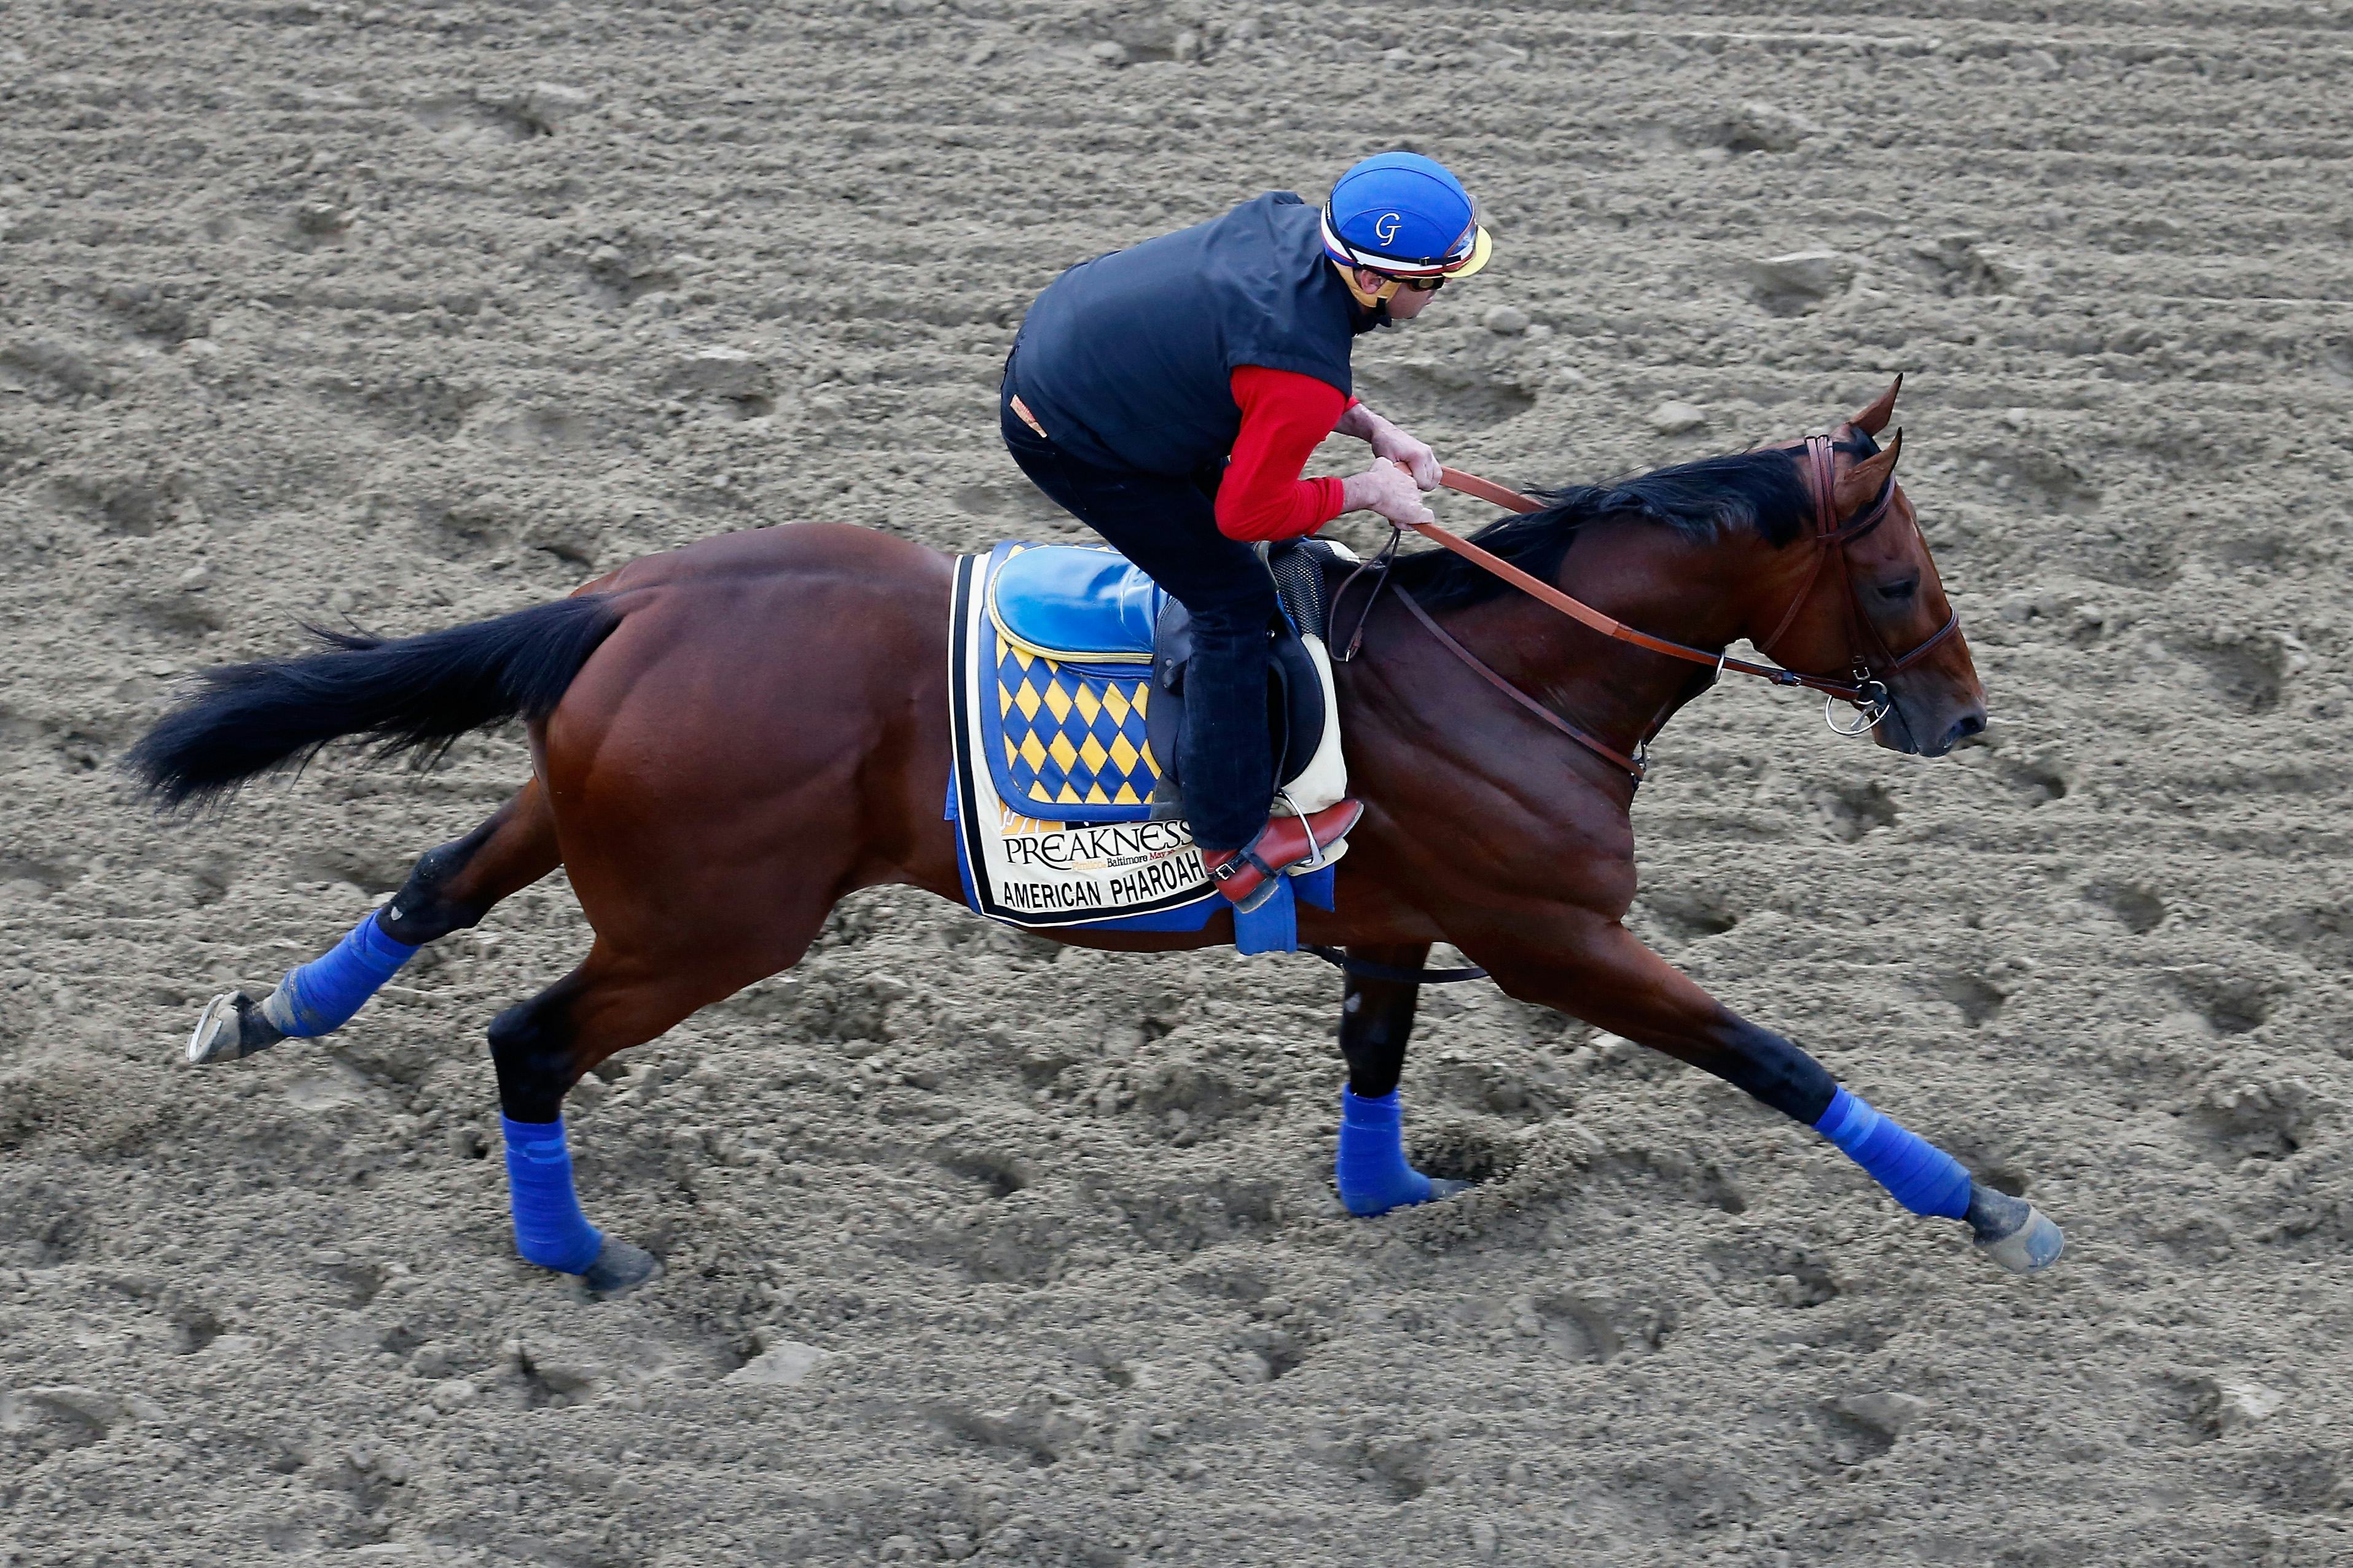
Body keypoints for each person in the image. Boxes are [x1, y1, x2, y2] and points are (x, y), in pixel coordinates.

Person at [1000, 151, 1491, 911]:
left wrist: (1372, 428)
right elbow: (1247, 512)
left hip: (1079, 346)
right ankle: (1232, 840)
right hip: (1070, 432)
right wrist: (1366, 491)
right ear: (1370, 280)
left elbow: (1274, 354)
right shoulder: (1302, 373)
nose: (1436, 297)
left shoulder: (1294, 228)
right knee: (1233, 601)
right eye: (1430, 284)